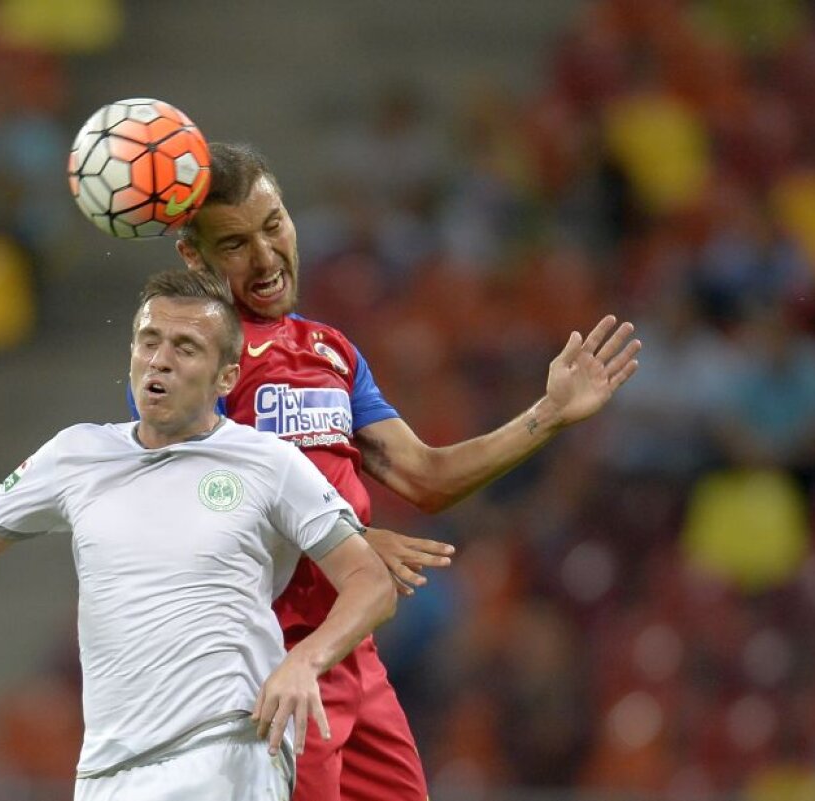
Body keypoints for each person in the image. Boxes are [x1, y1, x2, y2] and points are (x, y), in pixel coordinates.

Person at [174, 142, 642, 801]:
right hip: (268, 666)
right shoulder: (188, 358)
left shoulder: (330, 352)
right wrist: (344, 543)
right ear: (193, 257)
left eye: (273, 225)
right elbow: (187, 513)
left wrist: (551, 413)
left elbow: (427, 475)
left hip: (352, 657)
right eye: (234, 244)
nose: (266, 258)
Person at [0, 269, 400, 801]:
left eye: (186, 347)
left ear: (226, 378)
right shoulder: (77, 453)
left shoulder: (268, 462)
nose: (160, 359)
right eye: (150, 341)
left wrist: (304, 661)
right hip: (110, 770)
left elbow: (369, 581)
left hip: (228, 751)